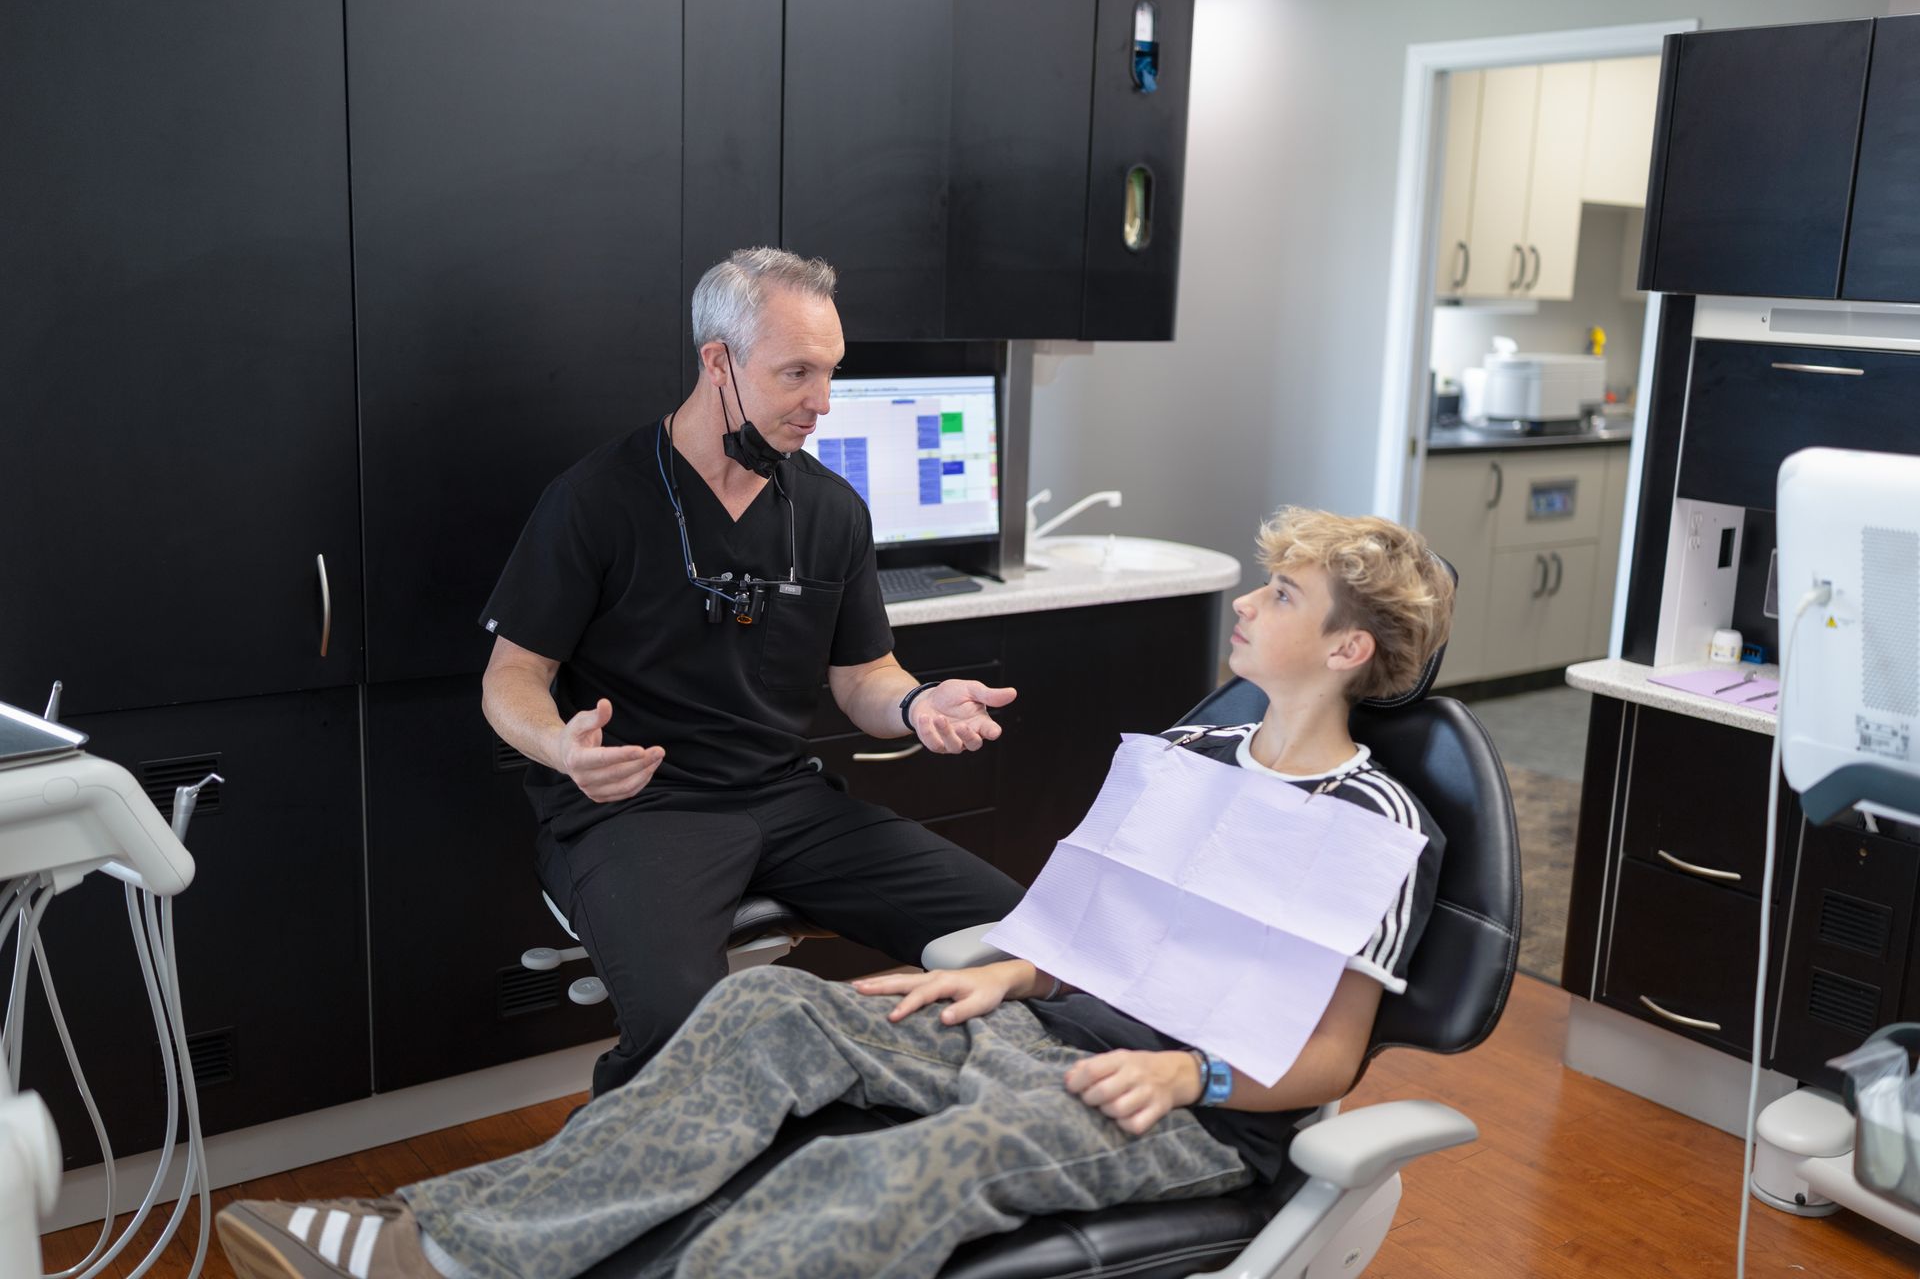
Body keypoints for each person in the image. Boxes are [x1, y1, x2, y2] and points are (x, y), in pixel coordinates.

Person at [215, 508, 1456, 1279]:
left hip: (1170, 1104)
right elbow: (1102, 933)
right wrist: (1010, 968)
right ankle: (440, 1246)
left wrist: (1195, 1073)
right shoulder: (1195, 758)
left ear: (1349, 648)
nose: (1247, 601)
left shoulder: (1376, 828)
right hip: (1038, 1028)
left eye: (1281, 595)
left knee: (858, 1174)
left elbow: (1332, 1059)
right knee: (759, 1015)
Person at [477, 247, 1024, 1096]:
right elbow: (510, 676)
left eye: (832, 373)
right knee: (683, 1037)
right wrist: (563, 750)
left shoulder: (832, 509)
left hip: (786, 800)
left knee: (1027, 938)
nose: (822, 405)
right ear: (718, 362)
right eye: (797, 373)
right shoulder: (598, 499)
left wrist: (916, 705)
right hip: (638, 811)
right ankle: (633, 1201)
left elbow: (862, 675)